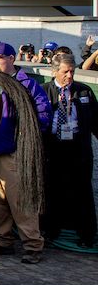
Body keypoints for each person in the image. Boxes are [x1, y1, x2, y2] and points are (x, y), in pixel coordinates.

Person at [0, 42, 51, 264]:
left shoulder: (29, 84)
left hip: (15, 151)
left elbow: (44, 114)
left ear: (11, 58)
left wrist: (24, 134)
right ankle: (3, 242)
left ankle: (32, 246)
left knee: (20, 200)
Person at [41, 53, 97, 248]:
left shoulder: (84, 92)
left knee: (82, 192)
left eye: (72, 71)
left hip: (78, 149)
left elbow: (95, 121)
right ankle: (50, 232)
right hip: (53, 148)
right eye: (65, 72)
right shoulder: (43, 92)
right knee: (52, 191)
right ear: (54, 71)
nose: (69, 76)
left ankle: (87, 235)